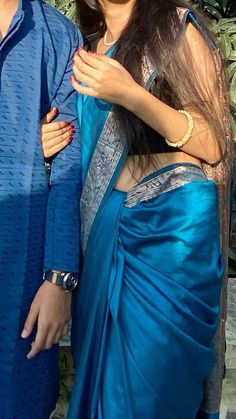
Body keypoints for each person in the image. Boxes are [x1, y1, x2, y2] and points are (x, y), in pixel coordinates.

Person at [41, 0, 232, 417]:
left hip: (169, 240)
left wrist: (130, 94)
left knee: (151, 397)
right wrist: (42, 144)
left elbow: (214, 143)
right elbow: (70, 151)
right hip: (101, 238)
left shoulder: (176, 31)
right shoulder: (81, 52)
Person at [0, 0, 82, 418]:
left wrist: (59, 278)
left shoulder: (59, 34)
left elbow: (70, 170)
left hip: (20, 275)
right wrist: (20, 147)